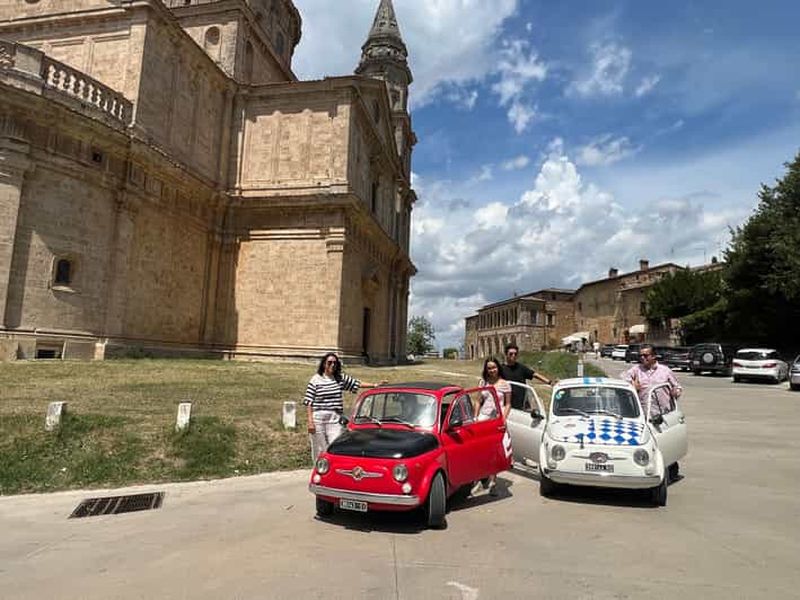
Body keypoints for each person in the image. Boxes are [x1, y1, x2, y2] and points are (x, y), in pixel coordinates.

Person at [304, 353, 384, 462]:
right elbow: (309, 401)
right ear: (324, 364)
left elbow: (356, 383)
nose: (332, 365)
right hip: (318, 417)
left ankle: (334, 467)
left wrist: (374, 385)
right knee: (319, 448)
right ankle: (319, 469)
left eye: (335, 363)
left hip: (335, 417)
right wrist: (310, 421)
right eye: (329, 363)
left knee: (336, 445)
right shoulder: (316, 379)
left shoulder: (339, 378)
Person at [477, 357, 512, 496]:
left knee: (494, 452)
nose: (492, 370)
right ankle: (478, 479)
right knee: (480, 451)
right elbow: (478, 401)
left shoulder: (505, 384)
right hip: (483, 418)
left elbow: (508, 404)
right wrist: (475, 418)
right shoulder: (483, 382)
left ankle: (492, 482)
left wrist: (503, 419)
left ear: (498, 368)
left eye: (494, 367)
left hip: (497, 420)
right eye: (489, 368)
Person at [622, 344, 682, 416]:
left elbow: (677, 387)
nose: (642, 358)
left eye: (645, 355)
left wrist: (675, 392)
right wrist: (632, 385)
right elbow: (624, 379)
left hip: (664, 414)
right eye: (640, 356)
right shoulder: (636, 370)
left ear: (653, 356)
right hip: (645, 414)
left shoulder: (665, 371)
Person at [499, 343, 556, 410]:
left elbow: (534, 374)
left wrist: (549, 382)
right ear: (506, 354)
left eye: (515, 354)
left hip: (523, 404)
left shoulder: (521, 368)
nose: (513, 356)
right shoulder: (501, 369)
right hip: (507, 405)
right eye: (511, 354)